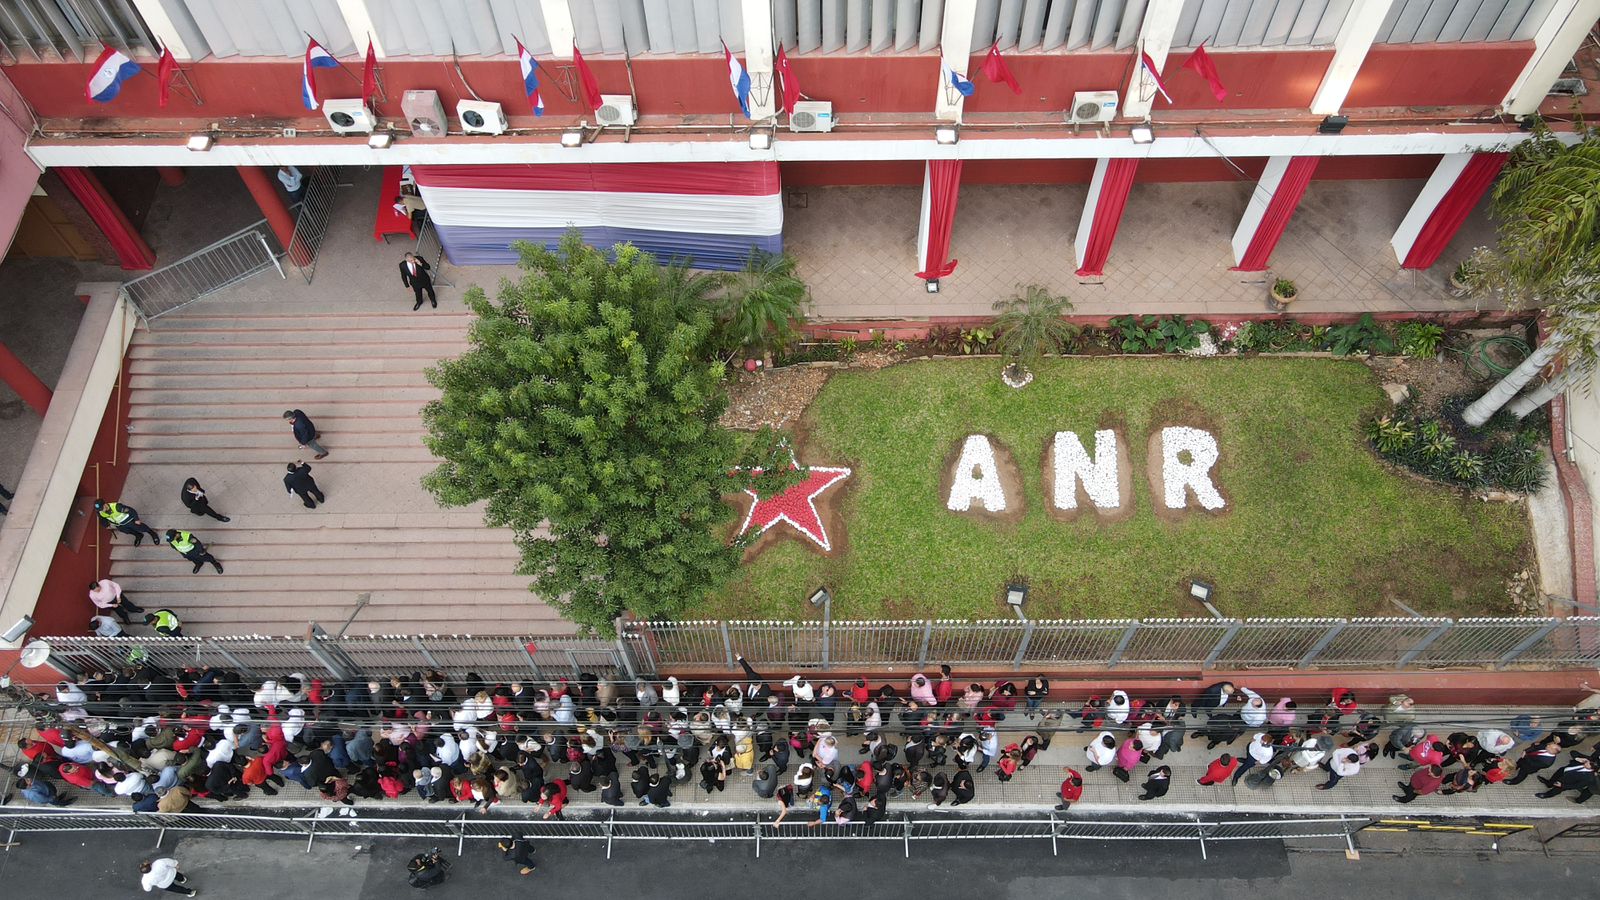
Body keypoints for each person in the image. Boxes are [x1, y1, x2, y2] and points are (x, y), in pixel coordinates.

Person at [94, 499, 162, 545]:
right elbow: (102, 519)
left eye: (101, 508)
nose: (101, 510)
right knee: (127, 531)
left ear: (105, 504)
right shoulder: (100, 512)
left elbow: (131, 510)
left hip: (129, 521)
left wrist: (136, 519)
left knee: (142, 528)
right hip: (119, 525)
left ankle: (153, 534)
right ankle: (139, 536)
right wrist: (106, 526)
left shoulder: (117, 507)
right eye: (99, 509)